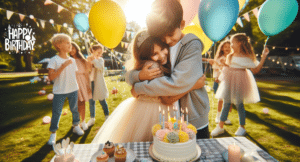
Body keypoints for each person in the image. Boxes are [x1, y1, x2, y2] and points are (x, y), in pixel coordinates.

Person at [91, 30, 206, 143]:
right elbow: (167, 97)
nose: (161, 55)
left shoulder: (157, 63)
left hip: (147, 109)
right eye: (154, 54)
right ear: (145, 56)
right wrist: (193, 86)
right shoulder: (153, 67)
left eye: (162, 49)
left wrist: (138, 78)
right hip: (155, 112)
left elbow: (130, 76)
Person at [130, 0, 210, 139]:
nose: (166, 40)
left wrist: (139, 88)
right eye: (162, 36)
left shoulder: (191, 45)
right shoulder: (162, 47)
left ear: (182, 25)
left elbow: (174, 85)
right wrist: (137, 76)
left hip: (193, 118)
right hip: (171, 118)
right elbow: (136, 73)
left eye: (171, 34)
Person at [211, 33, 269, 137]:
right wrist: (224, 64)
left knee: (239, 104)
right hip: (228, 80)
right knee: (226, 103)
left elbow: (255, 70)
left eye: (232, 42)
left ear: (240, 43)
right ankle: (220, 126)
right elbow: (228, 67)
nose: (231, 45)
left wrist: (264, 56)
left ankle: (242, 127)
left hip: (240, 80)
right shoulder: (230, 55)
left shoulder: (247, 57)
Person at [47, 34, 84, 145]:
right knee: (57, 112)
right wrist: (63, 66)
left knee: (74, 109)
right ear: (59, 45)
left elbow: (74, 76)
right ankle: (53, 133)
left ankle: (76, 126)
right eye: (67, 42)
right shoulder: (54, 60)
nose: (70, 45)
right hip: (59, 91)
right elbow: (51, 77)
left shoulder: (72, 60)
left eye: (70, 42)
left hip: (73, 89)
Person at [69, 42, 93, 131]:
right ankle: (76, 122)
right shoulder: (69, 60)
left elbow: (87, 74)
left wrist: (88, 85)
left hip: (82, 82)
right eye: (70, 49)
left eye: (73, 48)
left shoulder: (83, 60)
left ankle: (83, 121)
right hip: (73, 83)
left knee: (82, 103)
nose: (71, 50)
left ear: (76, 49)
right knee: (75, 104)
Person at [87, 44, 109, 125]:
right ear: (93, 51)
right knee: (91, 101)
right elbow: (86, 70)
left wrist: (93, 60)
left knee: (102, 100)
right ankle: (92, 118)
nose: (100, 54)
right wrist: (89, 62)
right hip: (90, 83)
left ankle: (107, 115)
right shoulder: (88, 59)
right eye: (98, 52)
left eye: (101, 52)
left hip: (98, 83)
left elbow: (99, 67)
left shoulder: (100, 60)